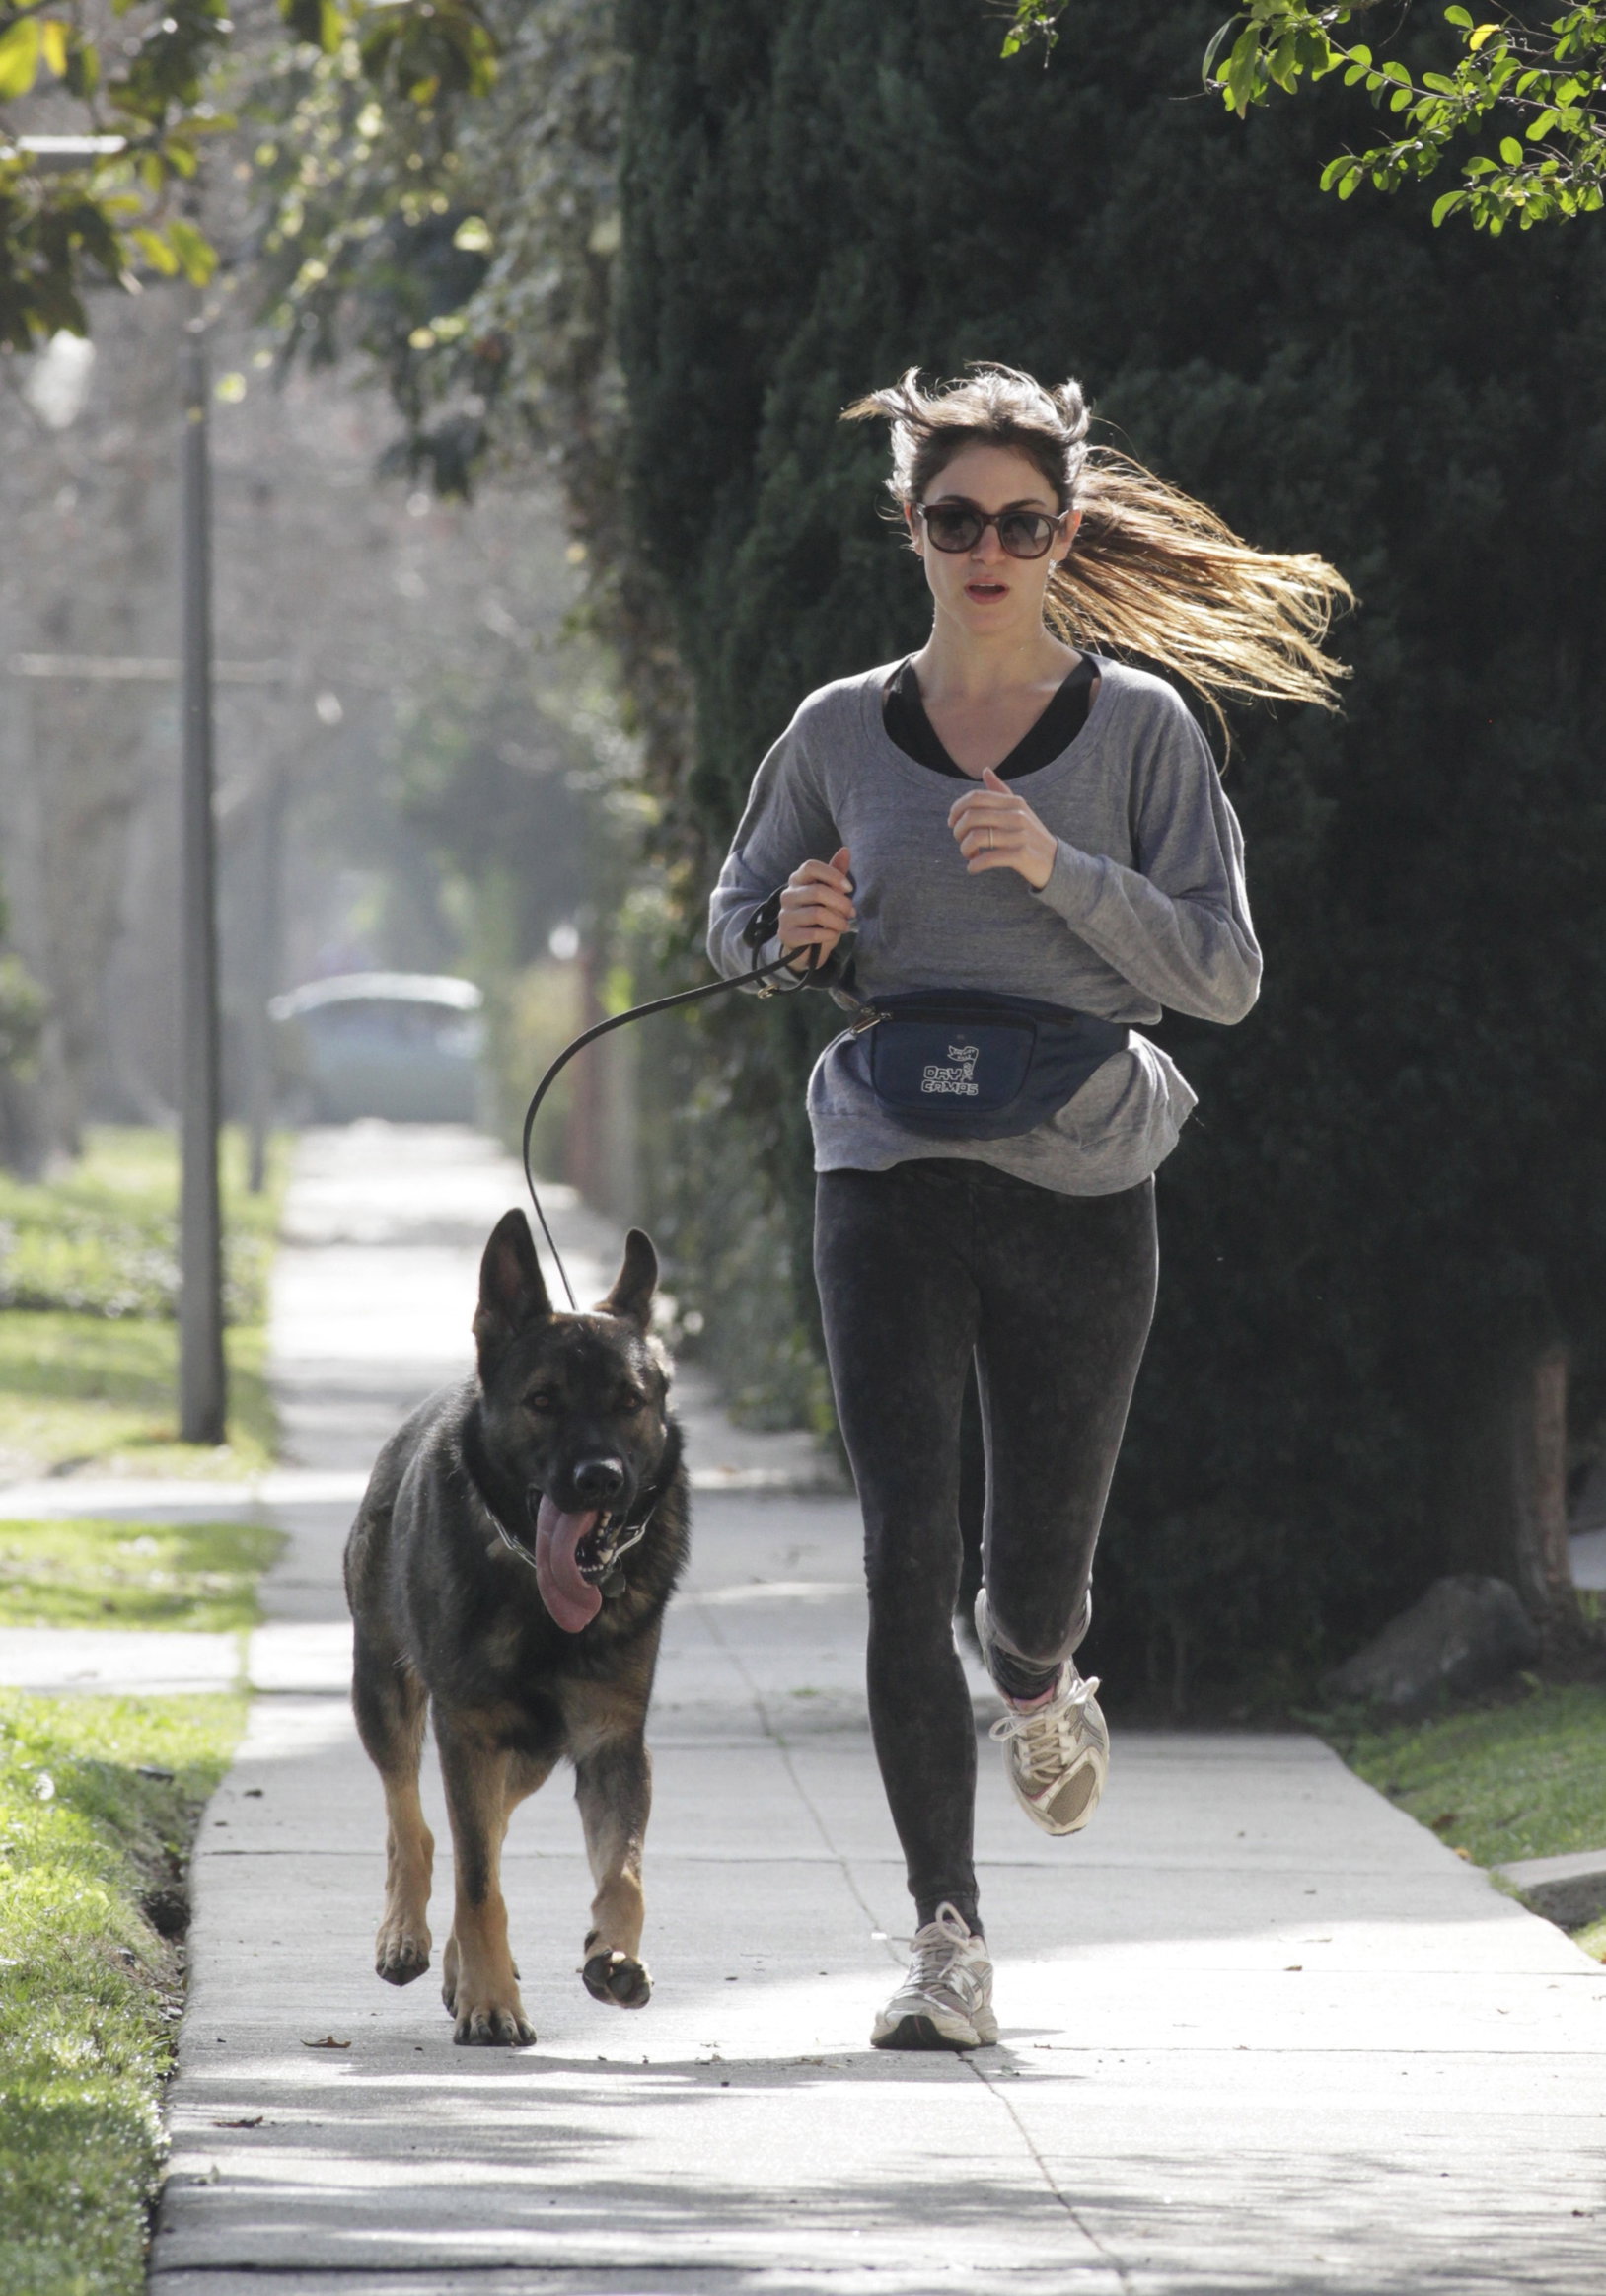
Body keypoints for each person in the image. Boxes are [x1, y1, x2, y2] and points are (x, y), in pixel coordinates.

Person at [706, 366, 1351, 2051]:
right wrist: (796, 918)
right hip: (887, 1166)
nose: (986, 548)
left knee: (1029, 1578)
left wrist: (1060, 872)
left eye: (1019, 522)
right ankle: (947, 1942)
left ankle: (1042, 1675)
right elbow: (729, 922)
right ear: (910, 529)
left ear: (1062, 535)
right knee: (900, 1550)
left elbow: (1223, 974)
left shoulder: (1137, 728)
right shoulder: (841, 729)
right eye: (954, 520)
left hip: (1081, 1170)